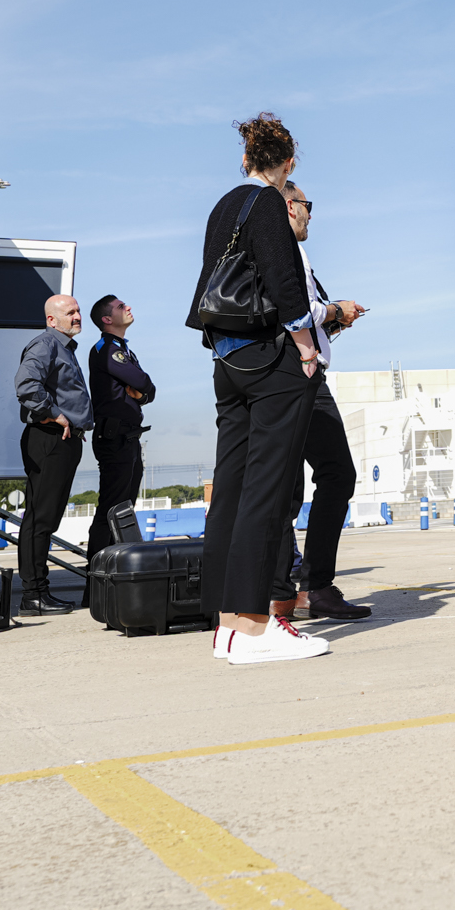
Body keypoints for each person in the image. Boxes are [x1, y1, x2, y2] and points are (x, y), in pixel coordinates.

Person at [188, 113, 330, 665]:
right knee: (267, 490)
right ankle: (250, 627)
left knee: (233, 485)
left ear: (244, 158)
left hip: (229, 359)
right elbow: (282, 279)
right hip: (270, 359)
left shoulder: (224, 203)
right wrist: (306, 344)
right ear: (287, 163)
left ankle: (226, 623)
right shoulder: (269, 202)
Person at [273, 179, 373, 624]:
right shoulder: (288, 251)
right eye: (307, 205)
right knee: (336, 474)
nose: (311, 214)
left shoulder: (285, 253)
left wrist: (334, 322)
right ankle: (313, 587)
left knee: (287, 486)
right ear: (291, 206)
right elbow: (295, 312)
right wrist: (335, 310)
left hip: (289, 372)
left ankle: (283, 591)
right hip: (300, 375)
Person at [14, 293, 89, 616]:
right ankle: (33, 594)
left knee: (46, 518)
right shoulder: (46, 344)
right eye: (70, 312)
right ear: (51, 319)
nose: (77, 316)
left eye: (78, 311)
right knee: (40, 519)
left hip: (62, 440)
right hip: (49, 439)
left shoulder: (64, 348)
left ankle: (38, 592)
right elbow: (27, 385)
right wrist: (53, 414)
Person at [83, 295, 155, 561]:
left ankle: (115, 576)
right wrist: (142, 391)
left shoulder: (123, 349)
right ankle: (96, 582)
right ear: (107, 319)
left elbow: (148, 391)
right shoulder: (107, 349)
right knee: (111, 510)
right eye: (121, 307)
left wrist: (142, 394)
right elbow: (142, 381)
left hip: (129, 437)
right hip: (114, 437)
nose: (129, 308)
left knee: (125, 509)